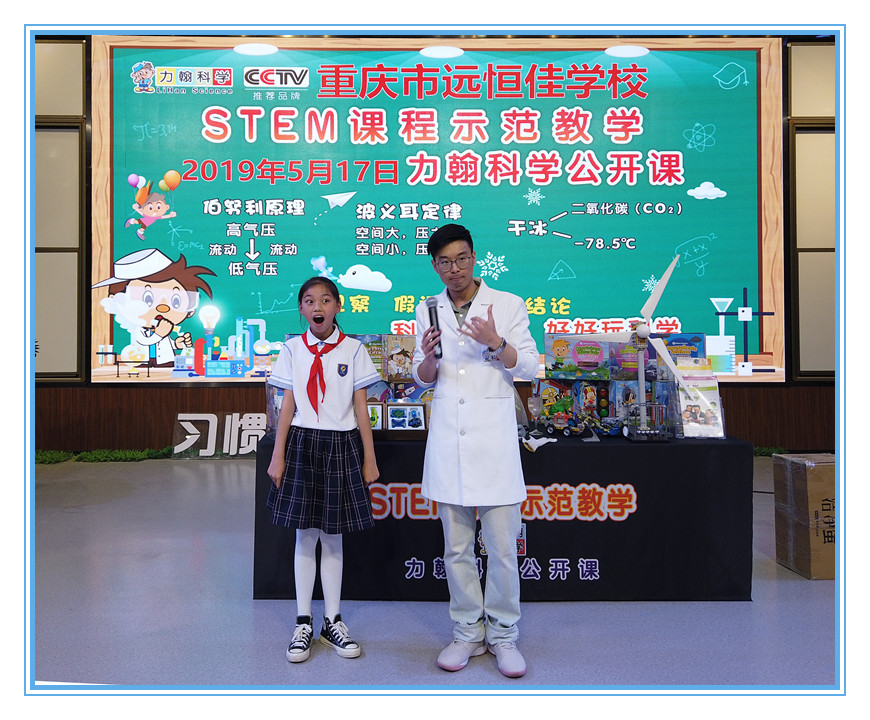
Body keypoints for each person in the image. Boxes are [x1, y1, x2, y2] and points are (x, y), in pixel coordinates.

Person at [412, 223, 539, 678]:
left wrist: (496, 344)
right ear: (435, 266)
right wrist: (428, 358)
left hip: (493, 442)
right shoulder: (427, 308)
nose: (454, 269)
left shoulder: (507, 304)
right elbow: (421, 377)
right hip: (450, 439)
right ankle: (467, 631)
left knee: (502, 550)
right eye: (444, 262)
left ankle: (504, 635)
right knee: (457, 549)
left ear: (473, 258)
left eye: (461, 258)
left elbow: (530, 365)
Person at [266, 277, 381, 663]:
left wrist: (369, 458)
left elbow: (361, 407)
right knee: (305, 535)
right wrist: (278, 454)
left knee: (333, 537)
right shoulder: (292, 349)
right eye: (310, 301)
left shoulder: (354, 349)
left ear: (338, 306)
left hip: (341, 445)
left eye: (326, 300)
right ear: (302, 308)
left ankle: (333, 621)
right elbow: (287, 405)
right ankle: (303, 621)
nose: (318, 307)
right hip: (302, 443)